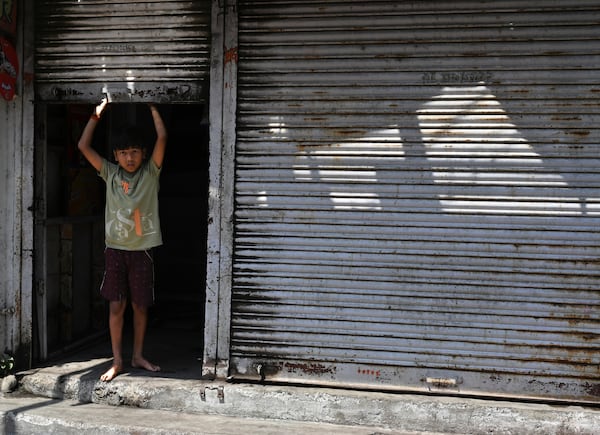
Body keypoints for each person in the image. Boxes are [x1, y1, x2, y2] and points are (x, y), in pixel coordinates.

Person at [78, 98, 167, 381]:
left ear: (143, 154)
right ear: (115, 155)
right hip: (115, 250)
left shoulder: (151, 173)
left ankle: (137, 355)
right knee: (117, 306)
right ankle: (117, 361)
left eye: (135, 152)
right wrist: (97, 113)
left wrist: (153, 108)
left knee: (140, 306)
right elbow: (83, 146)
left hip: (142, 251)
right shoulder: (110, 173)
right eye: (124, 152)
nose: (130, 157)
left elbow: (163, 136)